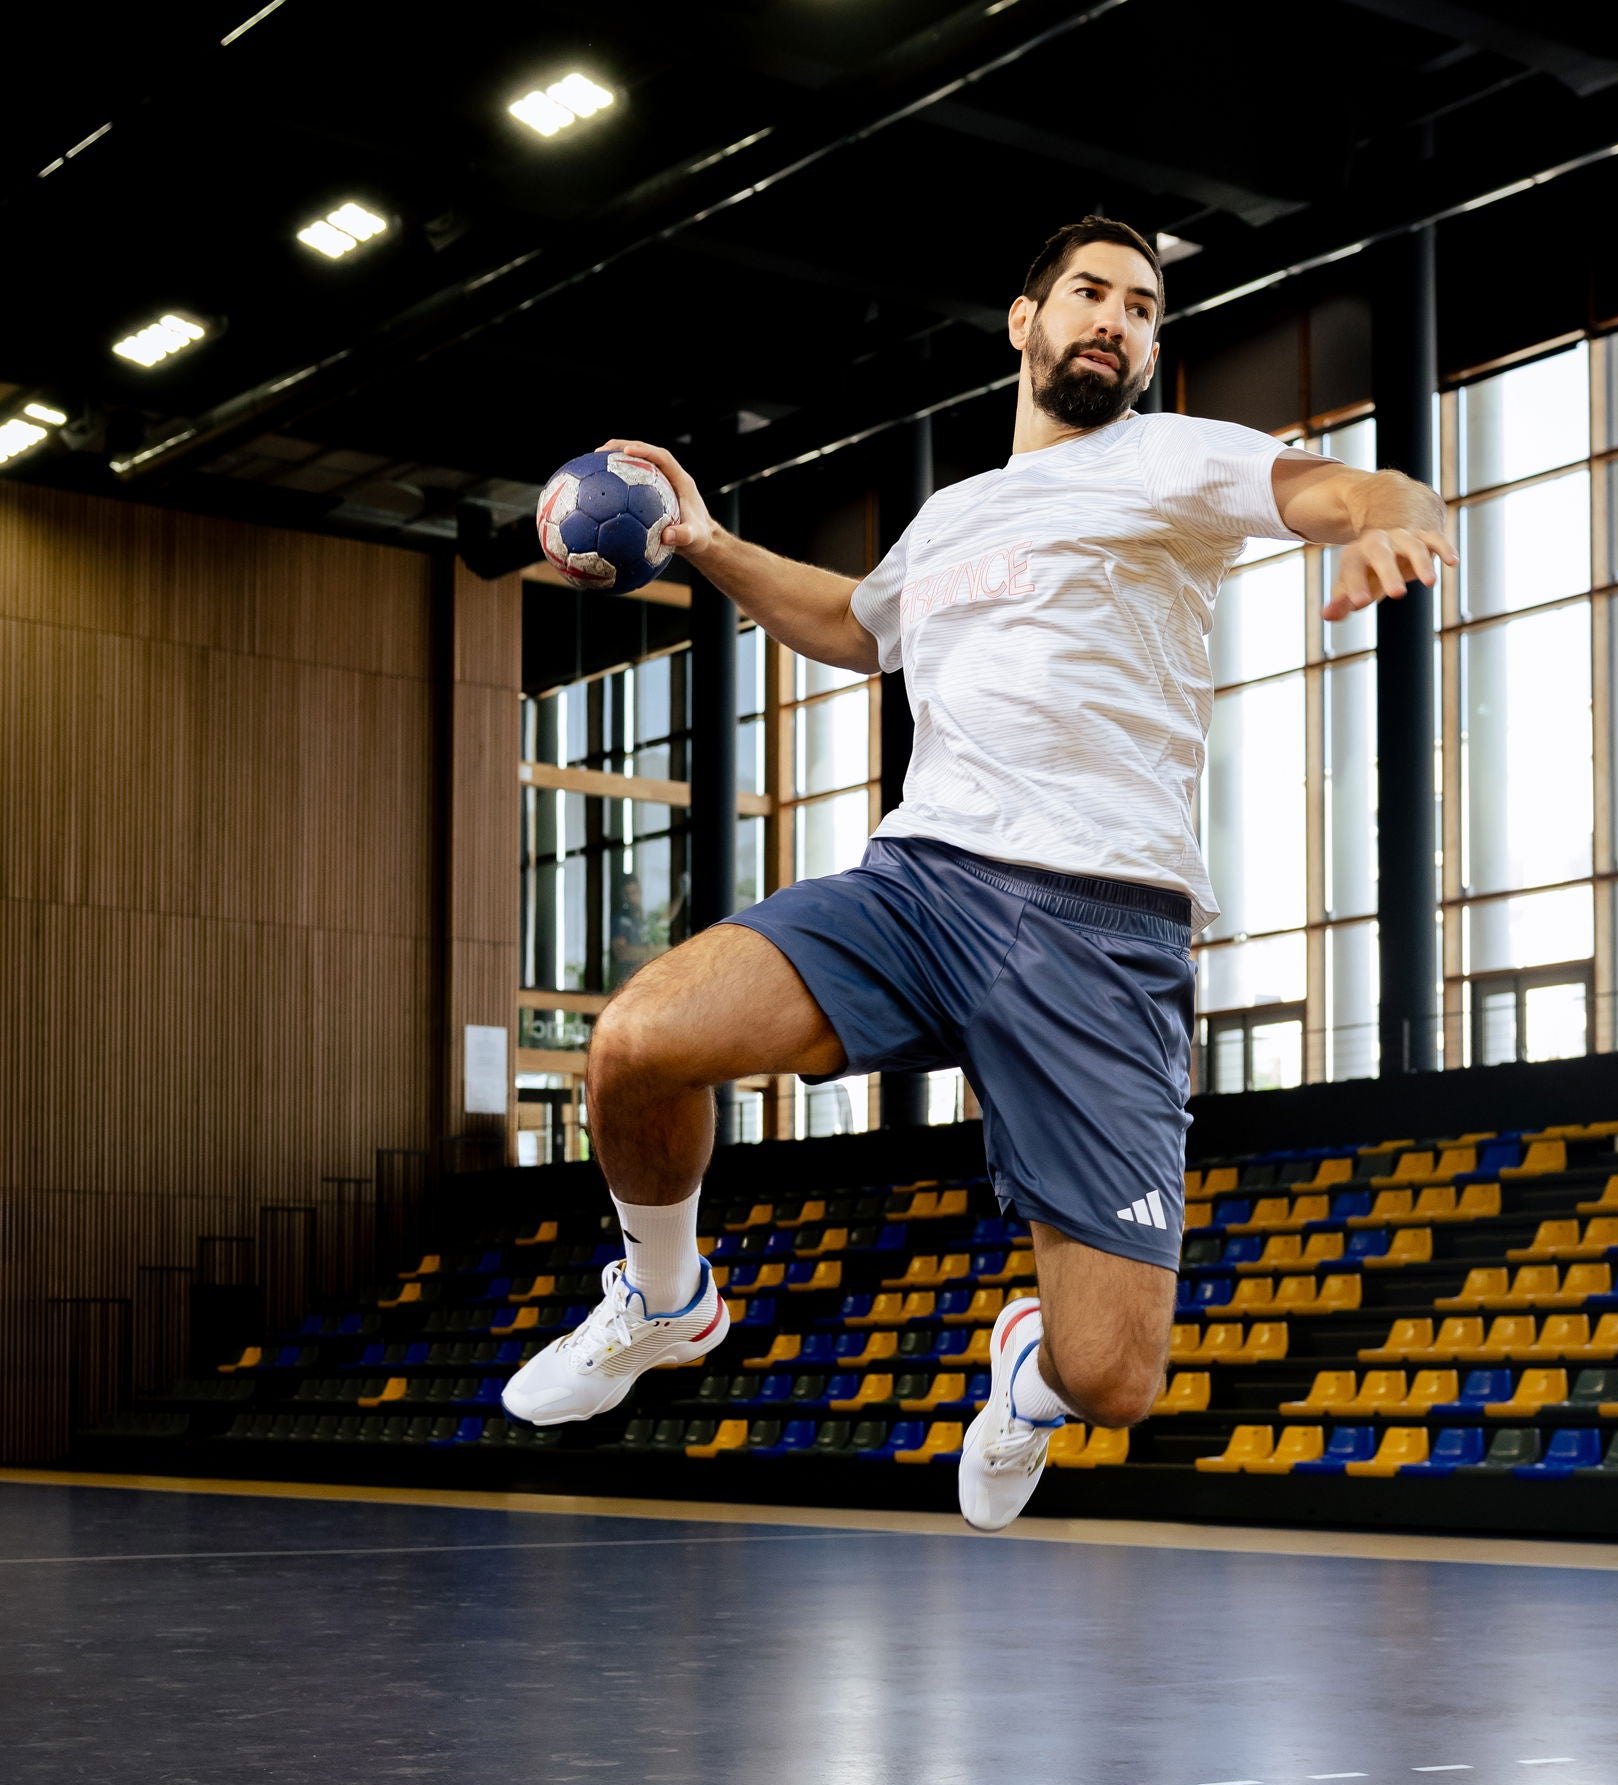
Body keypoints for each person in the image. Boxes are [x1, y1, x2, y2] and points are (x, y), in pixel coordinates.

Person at [503, 215, 1456, 1532]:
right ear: (1026, 321)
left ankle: (1033, 1381)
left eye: (1140, 305)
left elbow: (1356, 488)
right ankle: (664, 1300)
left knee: (1116, 1379)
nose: (1114, 318)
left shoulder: (1173, 459)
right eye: (1089, 293)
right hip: (924, 889)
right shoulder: (954, 517)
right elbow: (855, 625)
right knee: (636, 1044)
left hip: (1104, 931)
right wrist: (707, 541)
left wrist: (1389, 520)